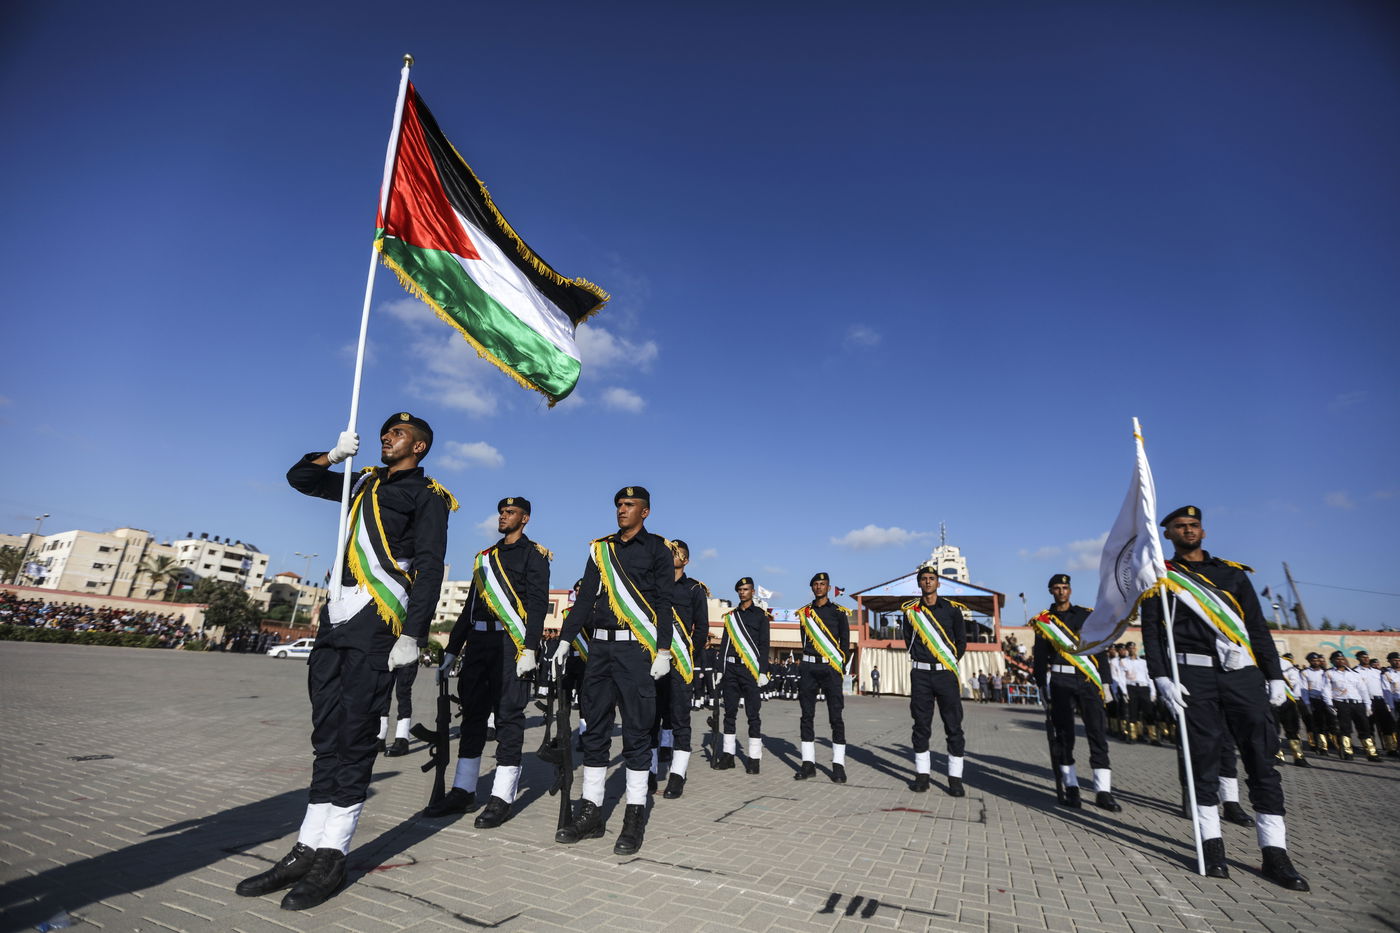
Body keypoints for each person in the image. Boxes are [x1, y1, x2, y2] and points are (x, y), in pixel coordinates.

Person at [237, 412, 453, 910]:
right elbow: (302, 480)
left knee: (355, 732)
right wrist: (332, 456)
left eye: (397, 435)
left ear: (418, 447)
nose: (386, 438)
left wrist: (414, 633)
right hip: (337, 614)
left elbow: (431, 564)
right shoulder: (362, 480)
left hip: (378, 619)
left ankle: (333, 854)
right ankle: (306, 846)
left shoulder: (429, 496)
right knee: (326, 730)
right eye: (384, 433)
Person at [1140, 505, 1306, 890]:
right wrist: (1162, 675)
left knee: (1261, 758)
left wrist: (1274, 675)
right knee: (1204, 757)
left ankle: (1275, 853)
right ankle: (1211, 845)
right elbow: (1152, 632)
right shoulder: (1161, 578)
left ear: (1203, 531)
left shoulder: (1232, 574)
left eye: (1193, 525)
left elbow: (1257, 627)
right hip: (1192, 674)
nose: (1188, 531)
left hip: (1241, 673)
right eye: (1180, 527)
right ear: (1168, 535)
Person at [553, 486, 673, 855]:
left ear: (645, 512)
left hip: (636, 650)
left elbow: (665, 602)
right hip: (600, 650)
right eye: (619, 504)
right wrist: (564, 639)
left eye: (629, 505)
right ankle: (591, 812)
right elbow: (586, 597)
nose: (622, 510)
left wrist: (664, 649)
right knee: (596, 730)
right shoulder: (600, 549)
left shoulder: (657, 550)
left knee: (637, 733)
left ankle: (634, 816)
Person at [425, 497, 551, 826]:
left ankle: (502, 795)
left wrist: (530, 649)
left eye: (509, 513)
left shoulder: (534, 556)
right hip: (479, 643)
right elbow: (470, 606)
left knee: (509, 716)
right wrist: (453, 648)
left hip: (510, 644)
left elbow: (537, 606)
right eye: (501, 512)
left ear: (525, 518)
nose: (502, 517)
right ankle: (464, 790)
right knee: (473, 715)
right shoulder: (486, 558)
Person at [1031, 574, 1120, 811]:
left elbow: (1099, 649)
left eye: (1065, 587)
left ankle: (1103, 790)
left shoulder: (1086, 615)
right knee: (1064, 735)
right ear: (1051, 591)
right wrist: (1041, 685)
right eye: (1057, 588)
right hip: (1060, 681)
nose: (1062, 591)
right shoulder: (1043, 621)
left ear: (1070, 590)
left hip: (1088, 679)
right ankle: (1071, 786)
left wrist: (1107, 683)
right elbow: (1040, 657)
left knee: (1096, 733)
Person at [900, 563, 968, 796]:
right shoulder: (910, 612)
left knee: (953, 725)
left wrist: (945, 662)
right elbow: (907, 641)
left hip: (945, 674)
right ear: (919, 583)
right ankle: (922, 775)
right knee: (920, 725)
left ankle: (955, 778)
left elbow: (961, 642)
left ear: (938, 582)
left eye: (932, 578)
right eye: (924, 578)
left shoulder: (952, 610)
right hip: (920, 674)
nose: (928, 581)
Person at [652, 539, 709, 799]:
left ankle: (677, 774)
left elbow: (702, 627)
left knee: (679, 718)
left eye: (678, 553)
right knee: (650, 716)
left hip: (681, 661)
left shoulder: (695, 589)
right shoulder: (653, 584)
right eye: (669, 551)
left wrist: (689, 654)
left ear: (686, 560)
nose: (672, 555)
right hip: (655, 658)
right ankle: (651, 770)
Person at [794, 572, 852, 783]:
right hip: (809, 668)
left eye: (823, 584)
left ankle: (838, 765)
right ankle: (808, 764)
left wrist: (839, 666)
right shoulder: (805, 613)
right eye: (816, 584)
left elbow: (844, 642)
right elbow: (804, 640)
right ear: (812, 588)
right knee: (806, 715)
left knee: (835, 717)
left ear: (829, 588)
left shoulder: (838, 612)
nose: (819, 587)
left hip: (830, 669)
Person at [715, 578, 771, 774]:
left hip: (750, 671)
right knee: (729, 713)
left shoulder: (761, 616)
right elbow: (724, 645)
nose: (742, 592)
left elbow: (764, 645)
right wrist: (720, 670)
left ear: (753, 591)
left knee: (753, 715)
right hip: (731, 670)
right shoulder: (731, 616)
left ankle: (754, 758)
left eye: (745, 589)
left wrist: (763, 671)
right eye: (739, 589)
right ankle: (728, 755)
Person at [1324, 650, 1378, 761]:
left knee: (1364, 728)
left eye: (1342, 659)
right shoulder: (1329, 673)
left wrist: (1368, 705)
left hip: (1358, 704)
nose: (1340, 661)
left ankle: (1371, 753)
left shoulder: (1354, 674)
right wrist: (1329, 704)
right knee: (1345, 729)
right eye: (1337, 659)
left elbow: (1363, 690)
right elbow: (1326, 690)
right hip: (1342, 703)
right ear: (1332, 661)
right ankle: (1347, 752)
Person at [1353, 650, 1397, 757]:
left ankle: (1390, 748)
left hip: (1381, 700)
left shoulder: (1378, 672)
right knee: (1368, 725)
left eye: (1367, 657)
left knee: (1386, 724)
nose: (1366, 659)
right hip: (1367, 701)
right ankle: (1371, 748)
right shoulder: (1355, 672)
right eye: (1363, 657)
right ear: (1358, 659)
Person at [1274, 653, 1309, 766]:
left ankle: (1299, 757)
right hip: (1269, 700)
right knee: (1273, 729)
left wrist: (1278, 685)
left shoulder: (1285, 663)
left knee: (1293, 729)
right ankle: (1277, 756)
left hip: (1287, 697)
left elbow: (1294, 679)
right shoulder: (1258, 662)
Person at [377, 661, 418, 756]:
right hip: (387, 652)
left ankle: (402, 739)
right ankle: (380, 737)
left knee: (403, 692)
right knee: (383, 691)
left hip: (407, 653)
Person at [1120, 642, 1158, 745]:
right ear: (1127, 649)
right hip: (1131, 687)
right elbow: (1121, 678)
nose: (1132, 649)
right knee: (1133, 713)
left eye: (1133, 647)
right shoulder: (1123, 661)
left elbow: (1149, 677)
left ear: (1136, 649)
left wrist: (1153, 692)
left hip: (1144, 687)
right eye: (1130, 648)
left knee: (1149, 712)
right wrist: (1124, 692)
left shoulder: (1143, 662)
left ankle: (1153, 737)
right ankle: (1133, 736)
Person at [1299, 652, 1333, 756]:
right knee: (1317, 724)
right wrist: (1307, 703)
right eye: (1313, 661)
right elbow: (1304, 690)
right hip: (1314, 700)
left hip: (1327, 700)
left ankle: (1332, 743)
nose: (1316, 662)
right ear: (1309, 662)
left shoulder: (1326, 672)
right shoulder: (1305, 673)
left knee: (1329, 723)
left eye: (1318, 660)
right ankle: (1322, 747)